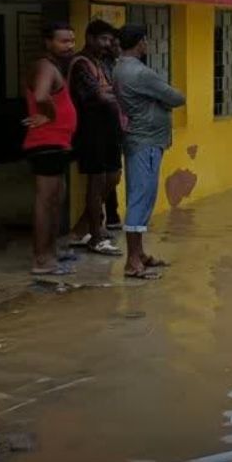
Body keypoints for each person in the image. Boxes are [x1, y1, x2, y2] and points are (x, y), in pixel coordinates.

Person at [114, 25, 185, 279]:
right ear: (140, 42)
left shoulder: (120, 68)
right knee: (141, 198)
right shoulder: (140, 72)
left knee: (140, 195)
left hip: (140, 138)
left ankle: (139, 254)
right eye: (146, 40)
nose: (148, 44)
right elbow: (176, 97)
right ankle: (133, 261)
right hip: (146, 141)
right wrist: (162, 98)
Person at [22, 21, 79, 275]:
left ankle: (51, 252)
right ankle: (41, 259)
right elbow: (42, 96)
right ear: (48, 42)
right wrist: (50, 116)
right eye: (63, 41)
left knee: (57, 199)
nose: (69, 46)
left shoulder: (53, 66)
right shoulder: (45, 67)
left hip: (57, 143)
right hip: (45, 142)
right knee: (46, 201)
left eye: (71, 40)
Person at [68, 20, 123, 256]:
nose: (107, 44)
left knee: (113, 177)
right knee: (97, 181)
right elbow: (99, 95)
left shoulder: (103, 62)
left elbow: (113, 89)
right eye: (103, 39)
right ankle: (95, 235)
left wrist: (114, 91)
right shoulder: (81, 64)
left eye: (110, 40)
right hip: (91, 130)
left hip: (109, 128)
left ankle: (83, 227)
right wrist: (117, 93)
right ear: (89, 37)